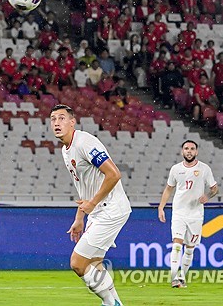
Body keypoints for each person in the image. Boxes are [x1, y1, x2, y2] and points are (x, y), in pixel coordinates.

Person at [50, 104, 131, 306]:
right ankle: (116, 303)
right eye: (53, 119)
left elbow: (114, 174)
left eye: (61, 118)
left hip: (111, 208)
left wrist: (93, 204)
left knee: (77, 263)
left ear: (72, 122)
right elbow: (84, 190)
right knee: (94, 264)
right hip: (98, 211)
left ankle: (111, 304)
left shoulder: (85, 142)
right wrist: (79, 217)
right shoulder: (65, 150)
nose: (56, 123)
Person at [158, 140, 218, 288]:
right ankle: (173, 278)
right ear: (182, 151)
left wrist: (208, 196)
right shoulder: (175, 169)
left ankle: (182, 277)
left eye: (192, 149)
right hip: (179, 212)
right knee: (177, 243)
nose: (189, 151)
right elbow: (168, 189)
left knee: (190, 248)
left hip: (196, 215)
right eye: (186, 148)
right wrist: (161, 207)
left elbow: (215, 188)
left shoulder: (204, 169)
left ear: (196, 152)